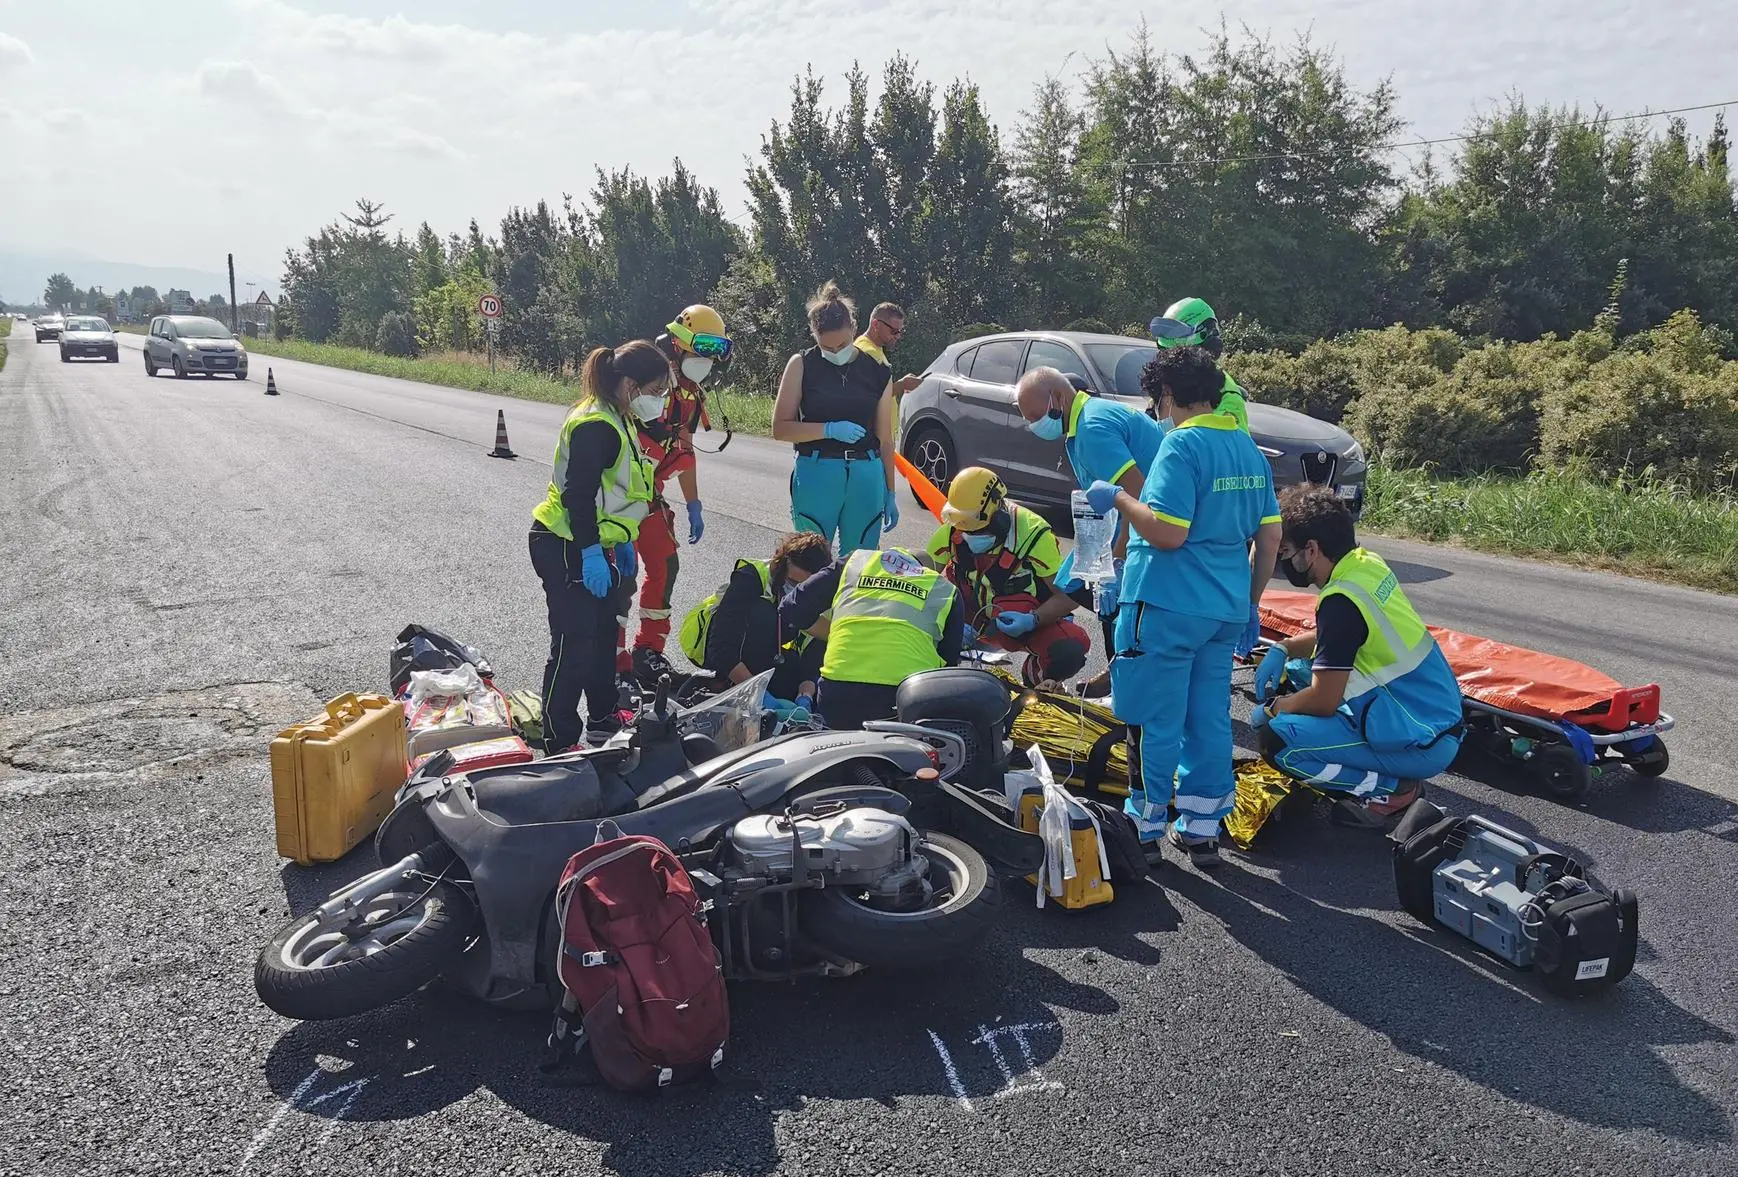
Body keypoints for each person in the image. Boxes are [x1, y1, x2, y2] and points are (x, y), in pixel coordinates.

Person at [1085, 345, 1282, 869]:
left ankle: (1144, 826)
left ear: (1169, 394)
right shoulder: (1247, 449)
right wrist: (1250, 602)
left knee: (1153, 716)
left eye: (1159, 399)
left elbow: (1168, 532)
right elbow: (1270, 534)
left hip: (1167, 606)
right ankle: (1200, 827)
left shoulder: (1181, 446)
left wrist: (1119, 498)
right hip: (1222, 609)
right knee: (1209, 719)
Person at [1252, 485, 1464, 825]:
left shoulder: (1339, 602)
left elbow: (1324, 701)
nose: (1285, 563)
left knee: (1277, 741)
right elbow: (1342, 637)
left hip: (1420, 741)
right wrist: (1284, 647)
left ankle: (1392, 792)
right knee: (1298, 670)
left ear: (1312, 548)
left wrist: (1274, 708)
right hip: (1435, 715)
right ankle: (1386, 772)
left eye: (1287, 552)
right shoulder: (1365, 565)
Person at [529, 341, 662, 751]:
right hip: (567, 542)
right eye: (656, 391)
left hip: (596, 543)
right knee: (574, 644)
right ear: (630, 386)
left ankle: (603, 716)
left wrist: (611, 545)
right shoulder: (596, 424)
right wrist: (589, 552)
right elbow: (579, 495)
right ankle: (560, 739)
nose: (659, 401)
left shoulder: (617, 417)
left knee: (606, 635)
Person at [1015, 365, 1167, 695]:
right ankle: (1120, 672)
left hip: (1152, 522)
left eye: (1034, 416)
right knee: (1081, 583)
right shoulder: (1081, 423)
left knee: (1115, 600)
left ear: (1056, 398)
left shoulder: (1092, 429)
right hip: (1120, 520)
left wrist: (1119, 558)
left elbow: (1137, 494)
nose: (1033, 426)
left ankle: (1127, 682)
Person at [616, 304, 731, 684]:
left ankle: (648, 651)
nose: (707, 360)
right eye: (702, 350)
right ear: (679, 344)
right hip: (616, 498)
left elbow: (684, 450)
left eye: (714, 353)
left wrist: (694, 503)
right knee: (620, 576)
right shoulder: (648, 382)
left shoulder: (692, 395)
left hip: (649, 495)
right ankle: (613, 656)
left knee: (665, 567)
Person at [926, 466, 1090, 686]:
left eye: (977, 530)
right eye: (964, 530)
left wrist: (1033, 620)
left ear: (998, 514)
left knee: (1070, 648)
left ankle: (1035, 675)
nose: (968, 536)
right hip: (968, 620)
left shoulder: (1033, 534)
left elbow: (1068, 597)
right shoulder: (956, 527)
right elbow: (923, 577)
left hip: (1024, 625)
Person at [773, 282, 899, 559]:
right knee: (809, 561)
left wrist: (890, 491)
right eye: (826, 347)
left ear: (854, 328)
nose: (835, 352)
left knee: (860, 561)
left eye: (842, 344)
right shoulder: (802, 364)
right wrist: (828, 430)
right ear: (814, 335)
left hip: (866, 473)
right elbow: (780, 428)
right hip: (817, 472)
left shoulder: (878, 371)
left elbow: (885, 439)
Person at [780, 545, 965, 731]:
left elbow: (792, 608)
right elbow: (946, 667)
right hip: (903, 696)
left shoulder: (854, 563)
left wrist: (835, 632)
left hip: (838, 690)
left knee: (835, 753)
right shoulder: (945, 590)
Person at [687, 530, 835, 704]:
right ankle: (730, 684)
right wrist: (758, 694)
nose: (799, 591)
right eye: (793, 582)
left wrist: (806, 694)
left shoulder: (822, 596)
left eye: (807, 587)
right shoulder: (750, 578)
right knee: (764, 614)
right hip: (712, 645)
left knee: (797, 682)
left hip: (771, 650)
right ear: (780, 565)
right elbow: (721, 648)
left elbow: (817, 649)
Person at [854, 302, 923, 398]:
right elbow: (869, 397)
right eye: (894, 331)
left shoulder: (872, 348)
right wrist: (901, 385)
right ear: (876, 324)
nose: (898, 336)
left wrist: (902, 385)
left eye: (900, 331)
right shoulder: (868, 352)